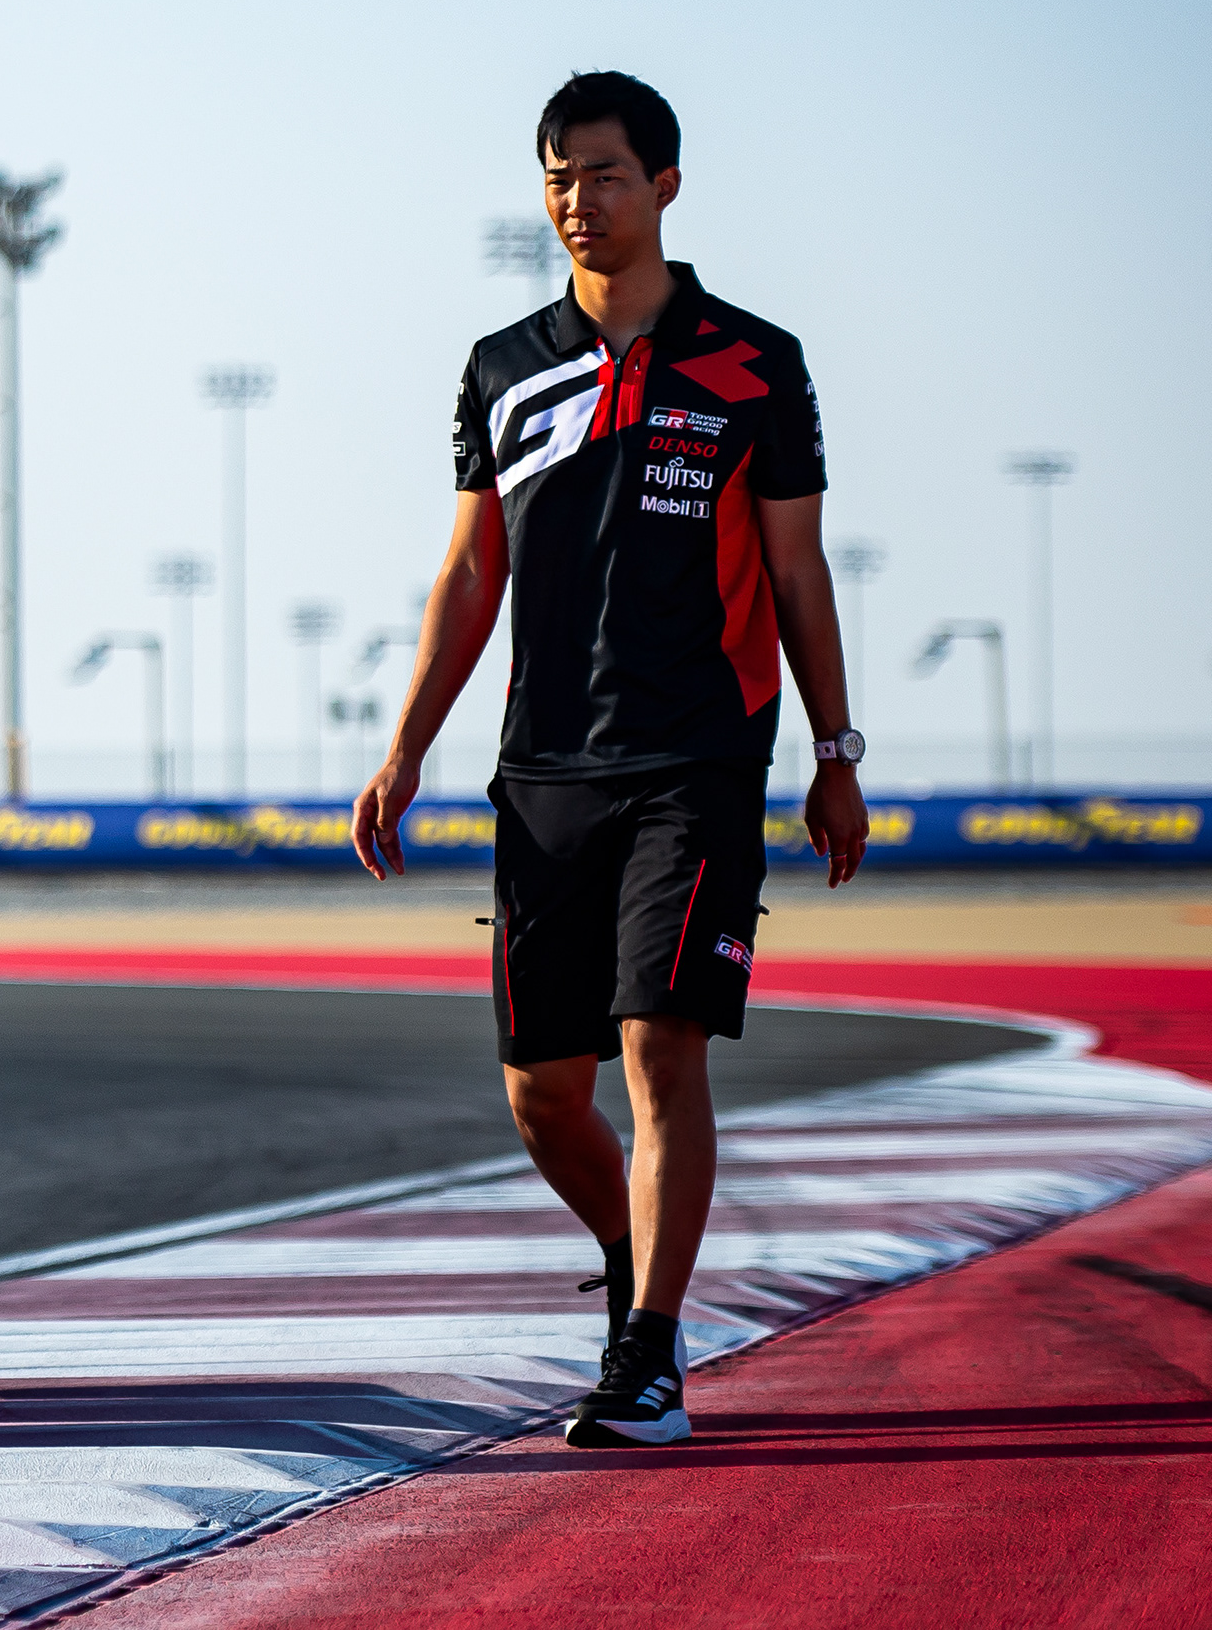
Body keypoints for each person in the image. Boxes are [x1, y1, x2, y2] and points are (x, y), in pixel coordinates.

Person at [353, 70, 867, 1452]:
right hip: (543, 772)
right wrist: (405, 746)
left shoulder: (756, 361)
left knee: (659, 1041)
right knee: (542, 1091)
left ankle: (646, 1350)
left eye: (607, 174)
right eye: (559, 176)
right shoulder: (503, 366)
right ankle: (643, 1260)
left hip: (699, 757)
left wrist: (835, 748)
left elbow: (799, 569)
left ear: (666, 186)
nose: (580, 200)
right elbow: (472, 571)